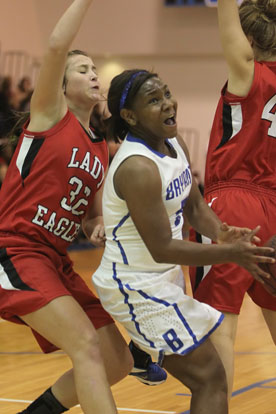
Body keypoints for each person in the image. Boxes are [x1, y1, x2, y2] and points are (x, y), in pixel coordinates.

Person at [91, 68, 275, 414]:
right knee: (210, 378)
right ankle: (142, 354)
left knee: (211, 377)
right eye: (154, 100)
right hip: (136, 286)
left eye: (167, 95)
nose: (168, 104)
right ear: (129, 116)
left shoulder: (174, 143)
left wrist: (222, 232)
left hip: (163, 281)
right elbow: (162, 249)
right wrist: (229, 254)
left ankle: (142, 356)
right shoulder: (137, 168)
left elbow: (194, 205)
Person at [0, 1, 136, 413]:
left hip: (56, 259)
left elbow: (91, 214)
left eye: (96, 69)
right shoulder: (48, 114)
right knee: (85, 344)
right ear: (60, 84)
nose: (94, 74)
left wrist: (96, 225)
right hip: (17, 249)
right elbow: (58, 44)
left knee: (118, 360)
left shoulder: (99, 147)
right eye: (83, 69)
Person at [189, 0, 276, 400]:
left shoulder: (249, 73)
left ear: (250, 40)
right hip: (274, 208)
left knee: (219, 324)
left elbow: (226, 19)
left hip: (233, 203)